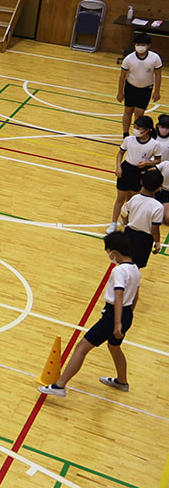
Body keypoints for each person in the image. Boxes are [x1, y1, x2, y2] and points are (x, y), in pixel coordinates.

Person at [38, 231, 140, 398]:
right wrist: (126, 317)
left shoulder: (119, 271)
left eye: (108, 252)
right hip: (126, 313)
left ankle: (59, 385)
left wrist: (117, 323)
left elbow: (119, 295)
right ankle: (122, 382)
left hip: (113, 315)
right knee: (114, 347)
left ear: (114, 252)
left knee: (81, 348)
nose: (109, 256)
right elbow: (135, 295)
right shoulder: (135, 269)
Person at [117, 33, 162, 138]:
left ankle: (136, 134)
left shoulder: (155, 58)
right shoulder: (128, 59)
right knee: (128, 111)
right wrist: (120, 92)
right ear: (134, 45)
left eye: (143, 44)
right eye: (138, 44)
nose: (140, 47)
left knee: (139, 113)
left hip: (146, 90)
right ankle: (125, 134)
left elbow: (158, 75)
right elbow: (122, 77)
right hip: (131, 88)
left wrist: (157, 91)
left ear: (148, 45)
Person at [119, 168, 163, 268]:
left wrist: (126, 224)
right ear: (159, 187)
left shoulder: (134, 198)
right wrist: (157, 243)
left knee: (125, 261)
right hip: (144, 239)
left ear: (141, 182)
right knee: (136, 265)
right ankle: (132, 282)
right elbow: (154, 229)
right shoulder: (158, 207)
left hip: (129, 233)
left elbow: (123, 213)